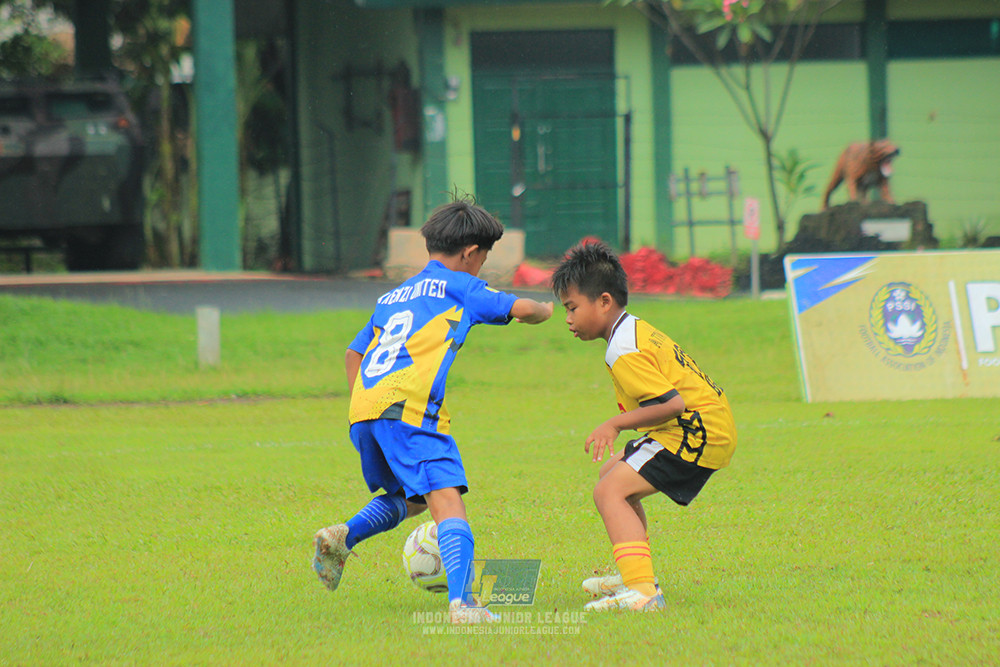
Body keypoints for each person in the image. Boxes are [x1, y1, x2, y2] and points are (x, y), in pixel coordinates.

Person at [312, 196, 553, 624]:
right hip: (408, 410)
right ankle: (463, 606)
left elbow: (353, 352)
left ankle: (343, 536)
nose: (481, 267)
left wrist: (364, 404)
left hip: (366, 411)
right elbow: (523, 309)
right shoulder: (459, 285)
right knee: (447, 503)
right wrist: (549, 309)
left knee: (412, 497)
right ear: (469, 253)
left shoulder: (392, 296)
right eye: (483, 258)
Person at [550, 240, 736, 612]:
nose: (567, 318)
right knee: (611, 476)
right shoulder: (631, 329)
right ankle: (637, 573)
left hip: (696, 432)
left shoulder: (624, 349)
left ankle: (643, 592)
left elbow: (671, 404)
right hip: (698, 426)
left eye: (571, 308)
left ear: (604, 302)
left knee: (609, 492)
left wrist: (614, 424)